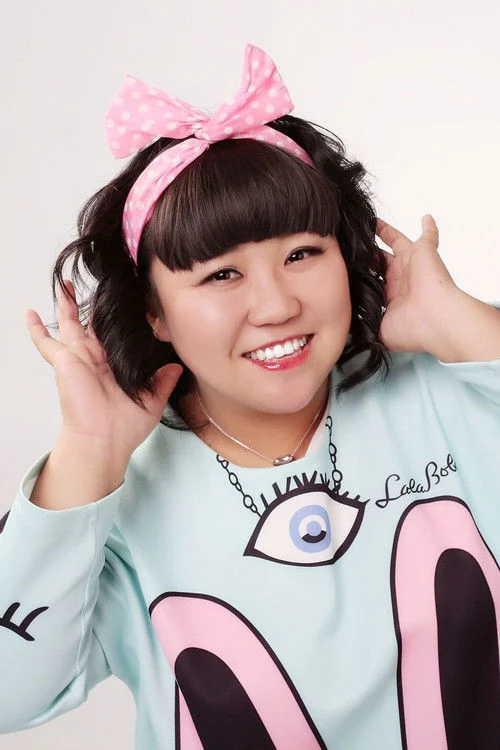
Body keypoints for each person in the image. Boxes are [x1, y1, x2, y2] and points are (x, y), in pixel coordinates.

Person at [1, 42, 500, 750]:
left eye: (302, 254)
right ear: (153, 311)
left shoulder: (452, 393)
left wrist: (466, 327)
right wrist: (86, 454)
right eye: (221, 275)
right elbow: (8, 691)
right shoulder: (109, 501)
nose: (276, 306)